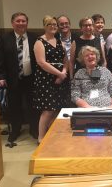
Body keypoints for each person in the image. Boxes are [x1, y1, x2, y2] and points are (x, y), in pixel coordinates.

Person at [0, 12, 39, 142]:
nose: (21, 23)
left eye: (23, 21)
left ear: (27, 23)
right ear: (12, 23)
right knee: (14, 106)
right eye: (18, 21)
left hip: (31, 78)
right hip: (12, 78)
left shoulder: (34, 38)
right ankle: (15, 129)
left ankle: (34, 128)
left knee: (32, 105)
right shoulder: (4, 39)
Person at [33, 15, 70, 143]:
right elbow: (41, 62)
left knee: (57, 109)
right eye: (50, 25)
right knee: (48, 110)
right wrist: (59, 74)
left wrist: (64, 72)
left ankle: (51, 135)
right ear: (45, 26)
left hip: (60, 78)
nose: (53, 27)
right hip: (46, 79)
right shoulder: (39, 42)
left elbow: (66, 60)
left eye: (55, 24)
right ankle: (41, 137)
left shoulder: (59, 41)